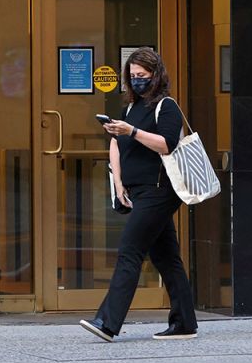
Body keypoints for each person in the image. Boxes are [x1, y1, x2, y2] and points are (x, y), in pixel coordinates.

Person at [79, 47, 198, 342]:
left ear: (156, 75)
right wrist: (117, 183)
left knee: (130, 251)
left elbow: (167, 144)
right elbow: (115, 144)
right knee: (167, 258)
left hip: (160, 191)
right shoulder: (129, 109)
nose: (136, 81)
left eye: (142, 76)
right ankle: (184, 323)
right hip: (137, 191)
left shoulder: (166, 107)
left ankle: (107, 322)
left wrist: (132, 131)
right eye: (132, 76)